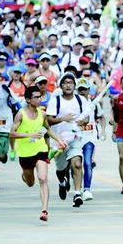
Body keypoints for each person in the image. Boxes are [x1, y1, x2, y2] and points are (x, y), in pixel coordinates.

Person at [10, 86, 66, 221]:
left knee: (43, 179)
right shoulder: (20, 114)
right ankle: (25, 175)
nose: (40, 99)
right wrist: (30, 135)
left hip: (41, 150)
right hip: (25, 153)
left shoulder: (42, 113)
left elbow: (47, 129)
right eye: (36, 97)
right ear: (28, 99)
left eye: (40, 96)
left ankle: (44, 210)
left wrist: (59, 140)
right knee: (30, 182)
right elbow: (11, 134)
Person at [46, 72, 90, 208]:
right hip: (59, 140)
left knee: (77, 163)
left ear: (74, 85)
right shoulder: (56, 100)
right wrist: (63, 119)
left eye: (71, 83)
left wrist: (82, 122)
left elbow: (87, 117)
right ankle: (62, 182)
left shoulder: (80, 100)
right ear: (61, 86)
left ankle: (77, 194)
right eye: (65, 83)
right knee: (61, 169)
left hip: (75, 138)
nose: (68, 85)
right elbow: (48, 120)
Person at [77, 78, 104, 201]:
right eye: (80, 89)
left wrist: (103, 131)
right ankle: (74, 186)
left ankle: (87, 189)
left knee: (87, 163)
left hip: (89, 137)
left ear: (89, 90)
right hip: (76, 138)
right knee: (75, 165)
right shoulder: (73, 103)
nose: (82, 91)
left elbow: (101, 117)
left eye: (84, 89)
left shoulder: (94, 103)